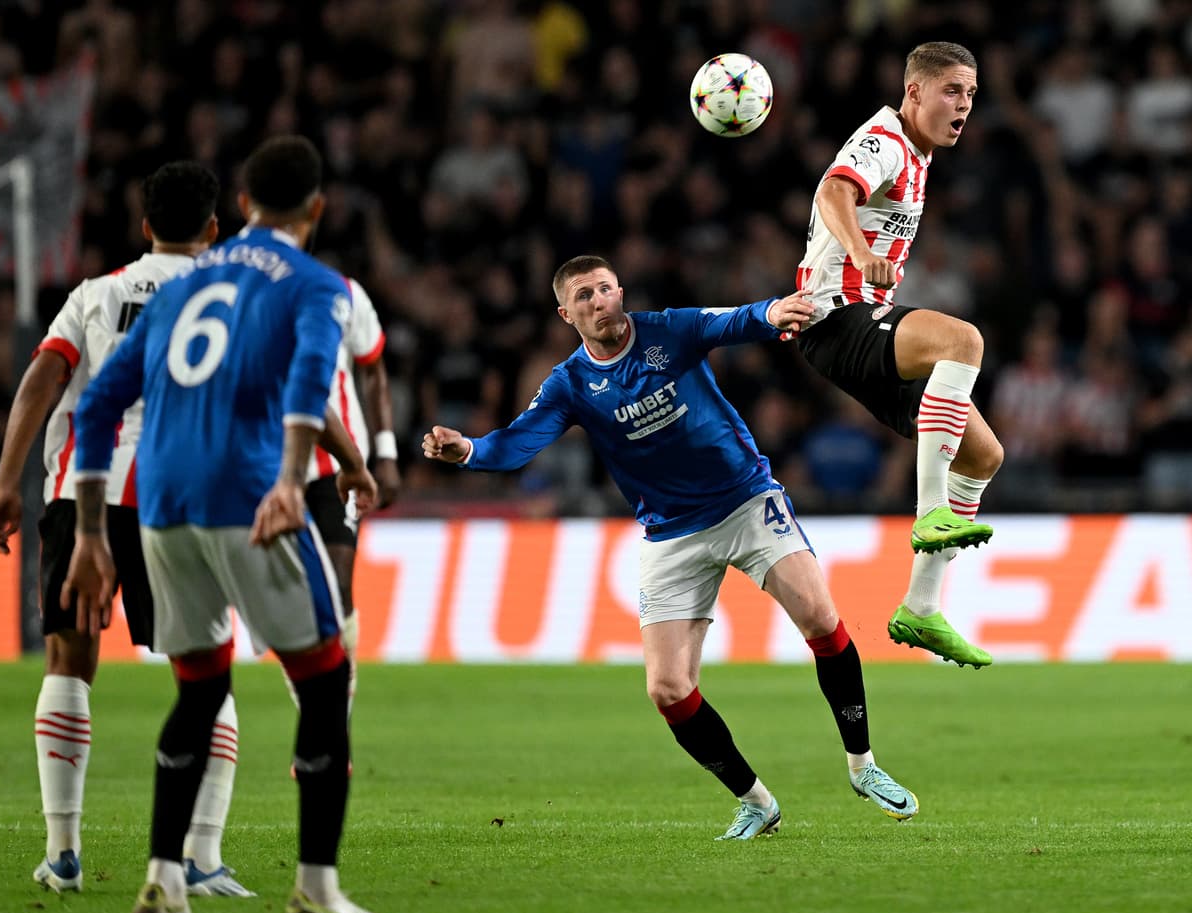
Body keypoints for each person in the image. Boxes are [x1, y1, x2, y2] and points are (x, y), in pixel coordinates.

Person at [424, 255, 919, 839]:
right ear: (566, 314)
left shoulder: (666, 330)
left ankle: (863, 766)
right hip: (669, 533)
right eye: (584, 296)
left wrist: (772, 312)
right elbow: (516, 442)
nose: (600, 301)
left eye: (606, 289)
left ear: (620, 291)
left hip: (744, 501)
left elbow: (728, 322)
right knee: (668, 689)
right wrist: (469, 453)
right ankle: (756, 801)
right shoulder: (570, 385)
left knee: (819, 616)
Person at [60, 135, 394, 913]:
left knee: (199, 687)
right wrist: (293, 480)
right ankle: (316, 891)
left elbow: (100, 404)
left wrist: (87, 533)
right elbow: (314, 375)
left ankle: (163, 883)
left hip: (161, 505)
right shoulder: (315, 284)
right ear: (316, 209)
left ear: (241, 206)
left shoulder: (185, 282)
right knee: (323, 679)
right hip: (250, 496)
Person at [0, 161, 254, 898]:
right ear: (212, 230)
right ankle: (201, 858)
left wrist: (7, 482)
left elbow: (41, 380)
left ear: (144, 227)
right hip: (182, 498)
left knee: (68, 661)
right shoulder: (230, 302)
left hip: (84, 493)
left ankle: (63, 852)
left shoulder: (95, 295)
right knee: (205, 675)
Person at [793, 41, 1003, 668]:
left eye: (970, 93)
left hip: (857, 325)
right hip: (836, 316)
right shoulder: (884, 137)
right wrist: (859, 253)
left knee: (985, 453)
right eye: (951, 91)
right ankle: (931, 509)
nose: (963, 103)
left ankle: (921, 607)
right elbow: (834, 192)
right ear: (914, 92)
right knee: (963, 340)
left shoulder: (920, 153)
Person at [303, 276, 400, 705]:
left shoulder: (344, 292)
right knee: (295, 599)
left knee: (338, 586)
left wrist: (387, 454)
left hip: (339, 462)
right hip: (266, 464)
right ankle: (316, 707)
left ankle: (330, 722)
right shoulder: (247, 292)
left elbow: (373, 368)